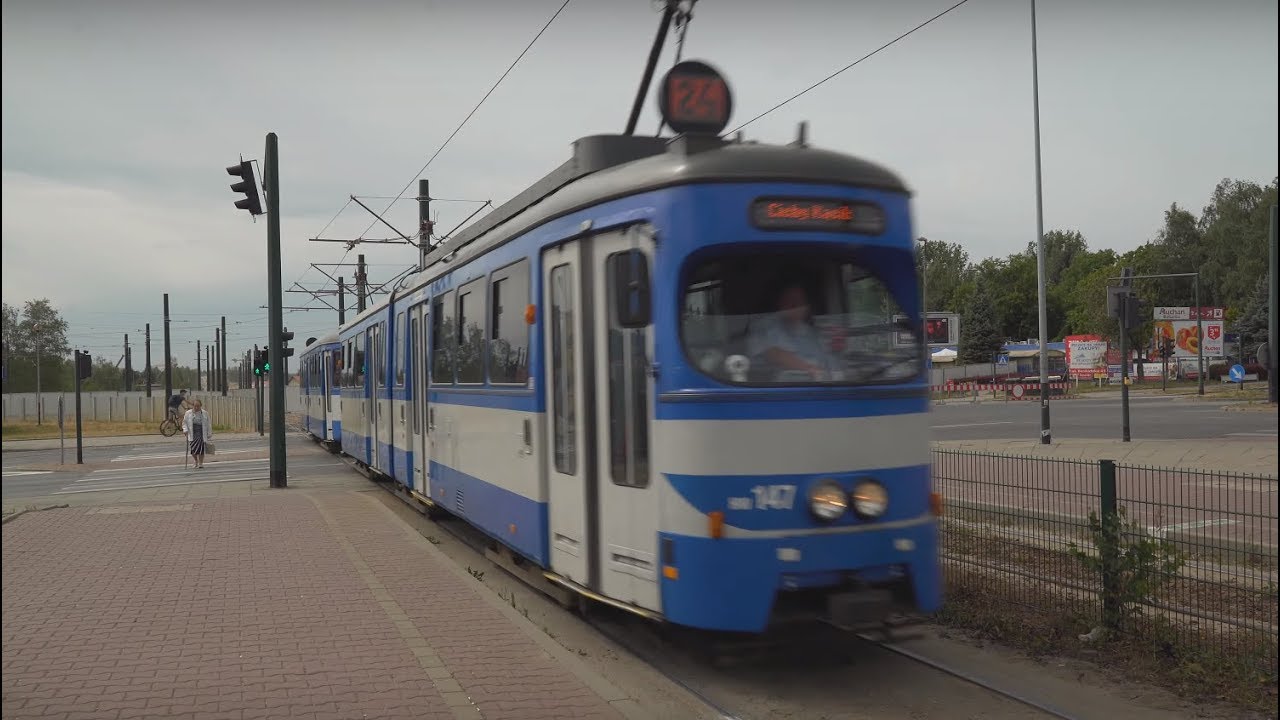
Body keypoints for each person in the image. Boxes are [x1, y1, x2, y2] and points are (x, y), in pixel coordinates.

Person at [747, 284, 842, 381]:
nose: (795, 305)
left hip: (818, 386)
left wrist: (837, 350)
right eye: (790, 300)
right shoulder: (763, 326)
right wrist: (809, 369)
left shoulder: (813, 333)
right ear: (780, 302)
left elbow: (832, 367)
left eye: (800, 301)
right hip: (776, 388)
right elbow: (774, 354)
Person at [181, 398, 213, 469]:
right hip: (192, 433)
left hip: (201, 433)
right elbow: (184, 423)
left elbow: (209, 424)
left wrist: (209, 433)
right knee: (193, 449)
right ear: (193, 406)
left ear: (201, 406)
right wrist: (185, 430)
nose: (196, 407)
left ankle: (201, 463)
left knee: (201, 448)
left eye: (198, 406)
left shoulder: (205, 413)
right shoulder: (188, 413)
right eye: (195, 406)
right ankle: (195, 461)